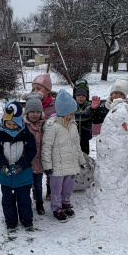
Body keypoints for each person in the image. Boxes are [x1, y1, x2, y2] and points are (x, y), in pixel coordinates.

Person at [0, 100, 38, 230]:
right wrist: (2, 164)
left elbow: (31, 151)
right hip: (6, 175)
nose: (11, 127)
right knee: (8, 200)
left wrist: (22, 164)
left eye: (14, 124)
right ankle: (11, 221)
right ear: (3, 121)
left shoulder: (26, 135)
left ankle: (26, 219)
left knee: (24, 199)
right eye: (8, 123)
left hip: (23, 173)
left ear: (20, 122)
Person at [41, 89, 87, 221]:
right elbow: (47, 147)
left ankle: (65, 202)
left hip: (71, 164)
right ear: (63, 112)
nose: (73, 115)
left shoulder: (73, 126)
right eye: (70, 113)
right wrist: (47, 166)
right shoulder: (52, 126)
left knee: (68, 187)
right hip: (57, 166)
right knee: (56, 188)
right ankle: (56, 207)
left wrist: (82, 161)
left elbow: (76, 145)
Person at [23, 92, 49, 215]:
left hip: (39, 161)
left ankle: (39, 203)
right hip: (27, 162)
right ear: (27, 112)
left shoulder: (45, 125)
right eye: (32, 111)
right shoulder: (23, 126)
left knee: (38, 184)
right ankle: (26, 202)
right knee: (26, 184)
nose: (35, 114)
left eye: (38, 111)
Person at [71, 79, 107, 153]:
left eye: (83, 94)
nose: (81, 96)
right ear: (74, 95)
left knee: (85, 156)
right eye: (78, 94)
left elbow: (97, 120)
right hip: (72, 139)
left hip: (85, 139)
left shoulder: (89, 107)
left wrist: (95, 110)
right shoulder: (72, 106)